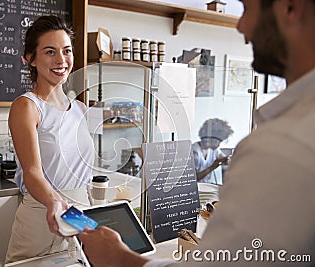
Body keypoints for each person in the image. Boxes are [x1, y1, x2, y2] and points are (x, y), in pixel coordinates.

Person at [78, 0, 315, 266]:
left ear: (290, 7)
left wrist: (117, 257)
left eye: (247, 8)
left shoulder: (282, 146)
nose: (241, 26)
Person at [5, 15, 94, 263]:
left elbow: (82, 171)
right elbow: (32, 172)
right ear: (31, 59)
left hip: (79, 215)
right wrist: (56, 203)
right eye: (50, 52)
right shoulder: (26, 107)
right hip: (42, 216)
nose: (61, 60)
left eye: (66, 51)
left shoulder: (79, 108)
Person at [192, 118, 233, 185]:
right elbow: (194, 179)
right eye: (219, 141)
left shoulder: (213, 149)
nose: (219, 144)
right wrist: (212, 167)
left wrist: (227, 160)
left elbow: (223, 158)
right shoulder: (195, 152)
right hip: (197, 190)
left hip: (208, 187)